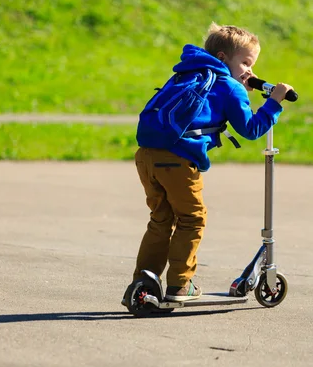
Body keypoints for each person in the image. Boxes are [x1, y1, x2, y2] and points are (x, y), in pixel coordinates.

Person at [126, 22, 294, 302]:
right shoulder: (230, 87)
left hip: (146, 155)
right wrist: (274, 103)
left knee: (160, 219)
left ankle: (145, 282)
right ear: (222, 59)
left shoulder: (186, 73)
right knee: (192, 219)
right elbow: (251, 130)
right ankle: (180, 284)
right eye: (245, 63)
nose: (250, 72)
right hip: (178, 160)